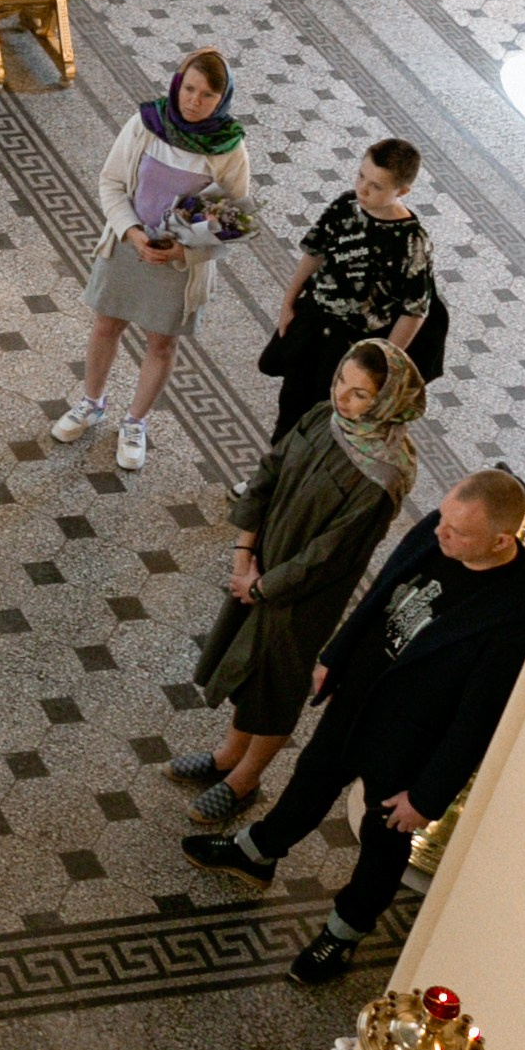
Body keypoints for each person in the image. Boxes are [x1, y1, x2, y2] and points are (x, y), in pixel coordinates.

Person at [185, 469, 525, 981]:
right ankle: (257, 851)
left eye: (457, 531)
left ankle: (344, 932)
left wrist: (427, 798)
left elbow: (477, 720)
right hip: (360, 695)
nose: (439, 532)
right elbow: (382, 593)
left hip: (411, 740)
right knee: (313, 774)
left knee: (383, 841)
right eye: (443, 518)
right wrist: (337, 654)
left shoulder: (515, 617)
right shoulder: (439, 531)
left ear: (501, 541)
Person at [172, 342, 425, 828]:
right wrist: (244, 553)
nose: (342, 398)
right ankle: (227, 757)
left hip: (301, 597)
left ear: (388, 401)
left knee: (274, 685)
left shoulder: (382, 476)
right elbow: (268, 473)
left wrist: (263, 587)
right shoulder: (322, 417)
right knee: (245, 666)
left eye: (360, 395)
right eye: (340, 382)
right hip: (260, 565)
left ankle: (244, 782)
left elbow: (328, 555)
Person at [51, 47, 252, 472]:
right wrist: (131, 231)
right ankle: (91, 403)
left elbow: (234, 222)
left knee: (162, 343)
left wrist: (185, 251)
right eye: (189, 89)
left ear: (223, 99)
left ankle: (135, 423)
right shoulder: (147, 124)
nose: (194, 101)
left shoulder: (230, 149)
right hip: (129, 246)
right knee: (107, 324)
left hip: (178, 265)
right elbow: (111, 183)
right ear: (177, 84)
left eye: (208, 95)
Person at [262, 139, 435, 440]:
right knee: (291, 402)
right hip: (314, 321)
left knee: (328, 416)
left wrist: (382, 364)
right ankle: (277, 462)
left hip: (352, 343)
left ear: (402, 191)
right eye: (361, 176)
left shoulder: (412, 242)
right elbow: (315, 252)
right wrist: (288, 303)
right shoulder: (345, 205)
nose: (363, 190)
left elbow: (414, 311)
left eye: (376, 186)